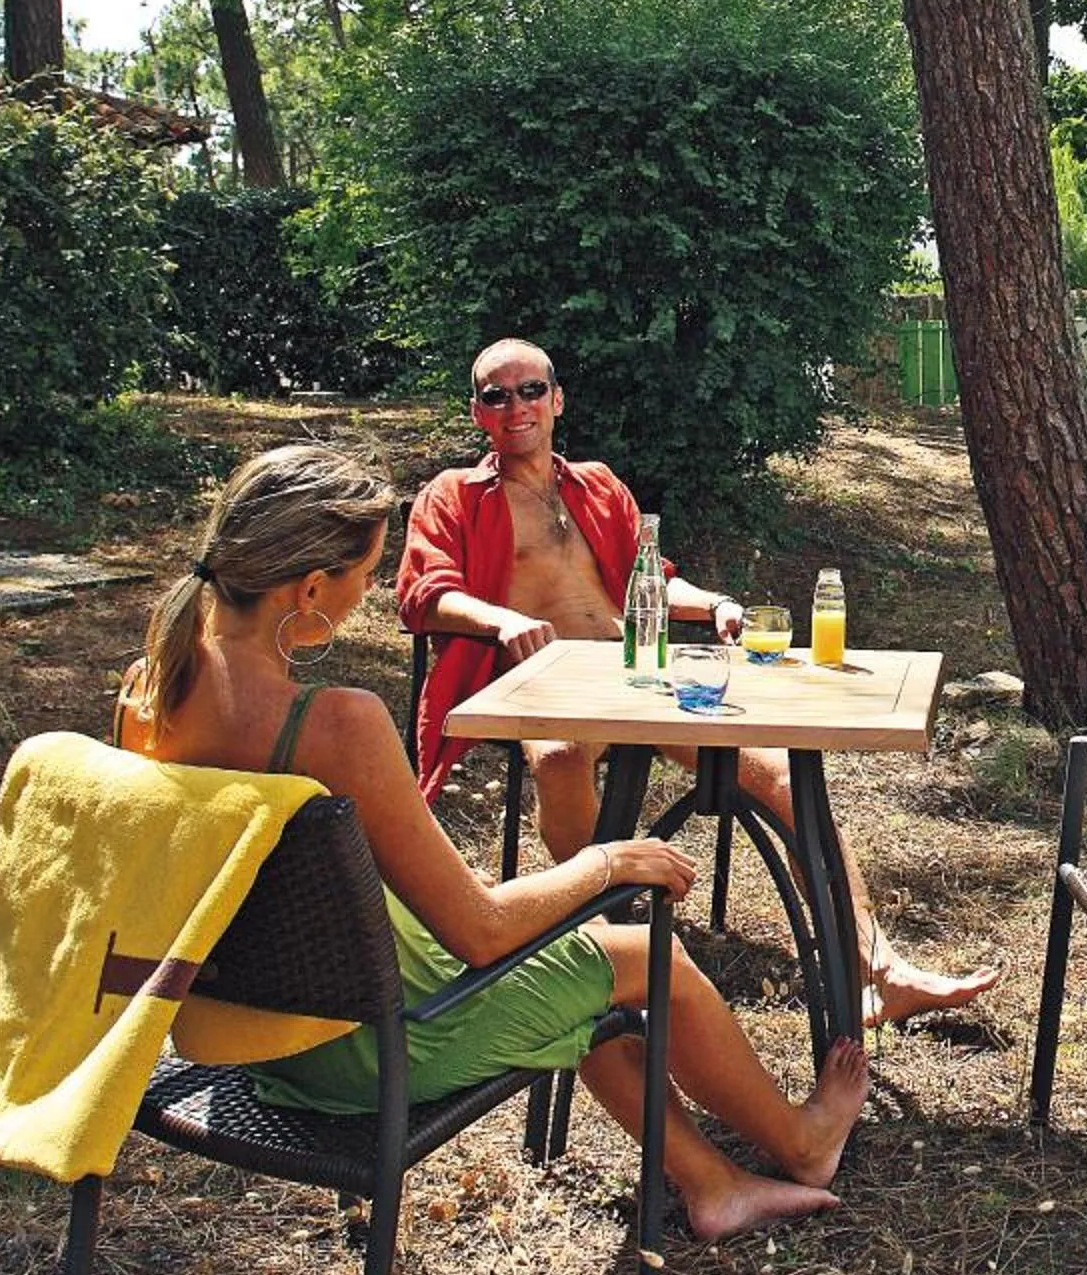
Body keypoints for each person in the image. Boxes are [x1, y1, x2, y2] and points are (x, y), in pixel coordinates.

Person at [115, 443, 866, 1241]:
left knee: (576, 977)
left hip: (255, 1037)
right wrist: (606, 860)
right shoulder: (336, 724)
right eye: (365, 574)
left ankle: (712, 1183)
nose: (370, 593)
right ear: (306, 590)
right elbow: (479, 934)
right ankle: (801, 1139)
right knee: (650, 955)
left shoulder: (147, 692)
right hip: (375, 1042)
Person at [399, 338, 999, 1028]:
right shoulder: (454, 495)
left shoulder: (597, 485)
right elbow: (425, 593)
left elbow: (649, 580)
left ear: (557, 400)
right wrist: (500, 620)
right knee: (561, 758)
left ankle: (876, 968)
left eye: (531, 389)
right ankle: (611, 946)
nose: (517, 406)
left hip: (638, 677)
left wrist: (713, 603)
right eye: (497, 395)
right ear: (479, 412)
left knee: (777, 772)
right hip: (541, 687)